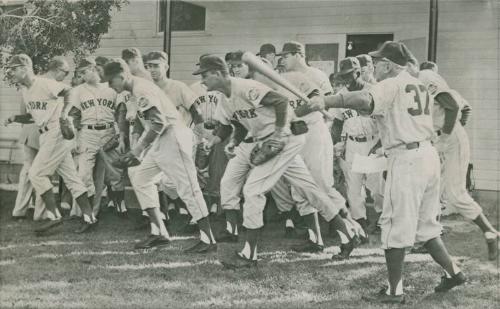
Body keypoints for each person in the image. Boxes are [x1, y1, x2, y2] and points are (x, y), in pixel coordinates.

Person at [320, 41, 466, 303]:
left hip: (407, 158)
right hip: (427, 155)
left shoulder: (390, 82)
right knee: (426, 226)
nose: (374, 67)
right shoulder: (418, 80)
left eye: (377, 63)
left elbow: (365, 100)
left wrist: (327, 99)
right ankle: (453, 272)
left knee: (393, 226)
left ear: (388, 65)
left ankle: (394, 291)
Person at [198, 54, 356, 268]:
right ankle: (347, 234)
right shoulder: (225, 98)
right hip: (269, 140)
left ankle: (249, 255)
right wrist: (234, 141)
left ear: (217, 73)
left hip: (285, 137)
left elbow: (281, 101)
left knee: (253, 191)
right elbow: (240, 123)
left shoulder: (245, 87)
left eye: (205, 75)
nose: (202, 80)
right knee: (309, 189)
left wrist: (279, 133)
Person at [104, 58, 217, 252]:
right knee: (140, 178)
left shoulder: (141, 89)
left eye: (110, 81)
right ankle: (160, 233)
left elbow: (158, 123)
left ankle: (209, 240)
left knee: (188, 188)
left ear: (121, 76)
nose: (109, 85)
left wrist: (138, 150)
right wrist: (140, 149)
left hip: (173, 137)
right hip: (160, 140)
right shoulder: (135, 90)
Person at [4, 54, 97, 234]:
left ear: (25, 68)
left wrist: (64, 114)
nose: (12, 73)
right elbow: (36, 115)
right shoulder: (26, 90)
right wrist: (16, 118)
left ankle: (54, 216)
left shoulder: (43, 83)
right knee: (72, 178)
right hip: (45, 133)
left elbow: (68, 92)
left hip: (56, 132)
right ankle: (90, 218)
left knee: (36, 173)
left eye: (14, 69)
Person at [419, 70, 499, 260]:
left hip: (450, 139)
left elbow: (455, 106)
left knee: (455, 194)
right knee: (432, 190)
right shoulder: (405, 84)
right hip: (436, 139)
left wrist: (449, 134)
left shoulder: (424, 77)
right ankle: (431, 237)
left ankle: (490, 232)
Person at [10, 56, 70, 221]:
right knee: (39, 172)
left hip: (39, 131)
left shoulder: (36, 83)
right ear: (56, 70)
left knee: (32, 172)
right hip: (39, 131)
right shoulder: (43, 83)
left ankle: (25, 211)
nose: (64, 76)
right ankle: (39, 213)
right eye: (64, 73)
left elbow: (25, 111)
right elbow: (28, 112)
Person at [67, 57, 125, 218]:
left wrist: (120, 133)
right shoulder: (78, 90)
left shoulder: (111, 88)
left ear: (94, 69)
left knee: (113, 174)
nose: (83, 76)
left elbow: (121, 111)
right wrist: (75, 138)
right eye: (80, 73)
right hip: (88, 133)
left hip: (108, 132)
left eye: (84, 72)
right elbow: (73, 115)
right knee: (84, 174)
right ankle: (86, 213)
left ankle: (112, 208)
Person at [330, 57, 381, 240]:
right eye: (342, 75)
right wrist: (336, 145)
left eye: (348, 75)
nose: (344, 79)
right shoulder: (340, 96)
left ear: (358, 73)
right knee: (353, 189)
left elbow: (385, 120)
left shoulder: (373, 91)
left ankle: (381, 219)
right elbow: (336, 124)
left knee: (376, 188)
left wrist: (381, 144)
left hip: (372, 143)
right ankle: (361, 225)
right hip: (351, 145)